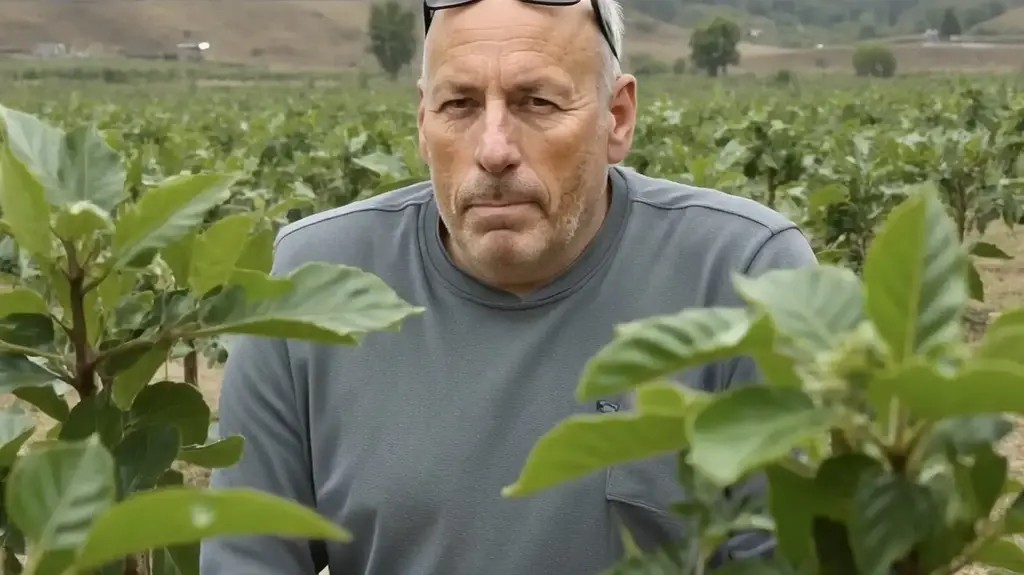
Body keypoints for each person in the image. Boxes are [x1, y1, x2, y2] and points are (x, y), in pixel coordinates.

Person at [199, 0, 818, 573]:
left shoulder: (747, 274)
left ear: (618, 118)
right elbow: (248, 559)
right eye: (460, 105)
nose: (494, 150)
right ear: (423, 123)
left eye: (537, 102)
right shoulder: (311, 283)